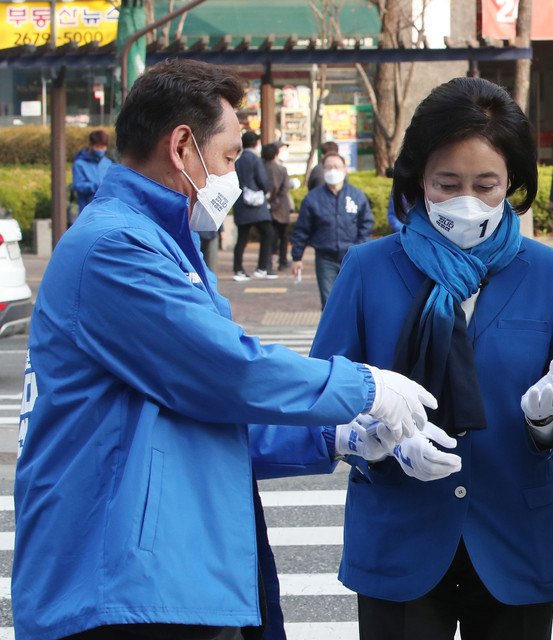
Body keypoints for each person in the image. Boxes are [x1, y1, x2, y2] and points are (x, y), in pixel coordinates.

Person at [12, 58, 438, 640]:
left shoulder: (160, 241)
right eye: (231, 155)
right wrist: (367, 387)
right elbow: (226, 372)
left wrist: (338, 436)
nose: (233, 175)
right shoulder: (116, 248)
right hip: (122, 585)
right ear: (183, 146)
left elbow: (204, 410)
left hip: (166, 569)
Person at [303, 76, 553, 640]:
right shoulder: (367, 268)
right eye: (447, 183)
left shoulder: (547, 271)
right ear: (418, 180)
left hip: (515, 538)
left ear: (512, 182)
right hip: (400, 535)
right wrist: (377, 434)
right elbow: (325, 390)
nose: (468, 200)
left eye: (487, 184)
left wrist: (545, 423)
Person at [290, 153, 374, 307]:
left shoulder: (357, 196)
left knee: (353, 301)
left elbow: (366, 224)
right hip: (325, 258)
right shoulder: (312, 199)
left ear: (344, 170)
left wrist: (360, 248)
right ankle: (332, 331)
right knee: (329, 303)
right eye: (328, 167)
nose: (332, 170)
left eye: (336, 167)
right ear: (323, 171)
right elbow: (302, 229)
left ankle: (351, 331)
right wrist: (297, 257)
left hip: (352, 258)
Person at [233, 130, 276, 281]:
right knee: (268, 233)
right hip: (256, 205)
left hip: (241, 204)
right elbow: (262, 180)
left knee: (242, 238)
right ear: (255, 144)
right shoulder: (255, 160)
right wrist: (265, 190)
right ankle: (262, 267)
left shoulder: (237, 161)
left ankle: (238, 269)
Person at [263, 142, 292, 270]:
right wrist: (277, 198)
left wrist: (270, 200)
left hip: (266, 206)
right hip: (282, 206)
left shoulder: (261, 167)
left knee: (270, 235)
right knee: (283, 235)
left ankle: (268, 260)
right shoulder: (282, 169)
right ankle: (283, 260)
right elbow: (285, 187)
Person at [71, 129, 113, 217]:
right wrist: (97, 185)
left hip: (106, 210)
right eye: (98, 147)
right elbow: (79, 186)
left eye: (103, 147)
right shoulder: (79, 164)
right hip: (87, 210)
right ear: (90, 145)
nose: (100, 150)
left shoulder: (108, 163)